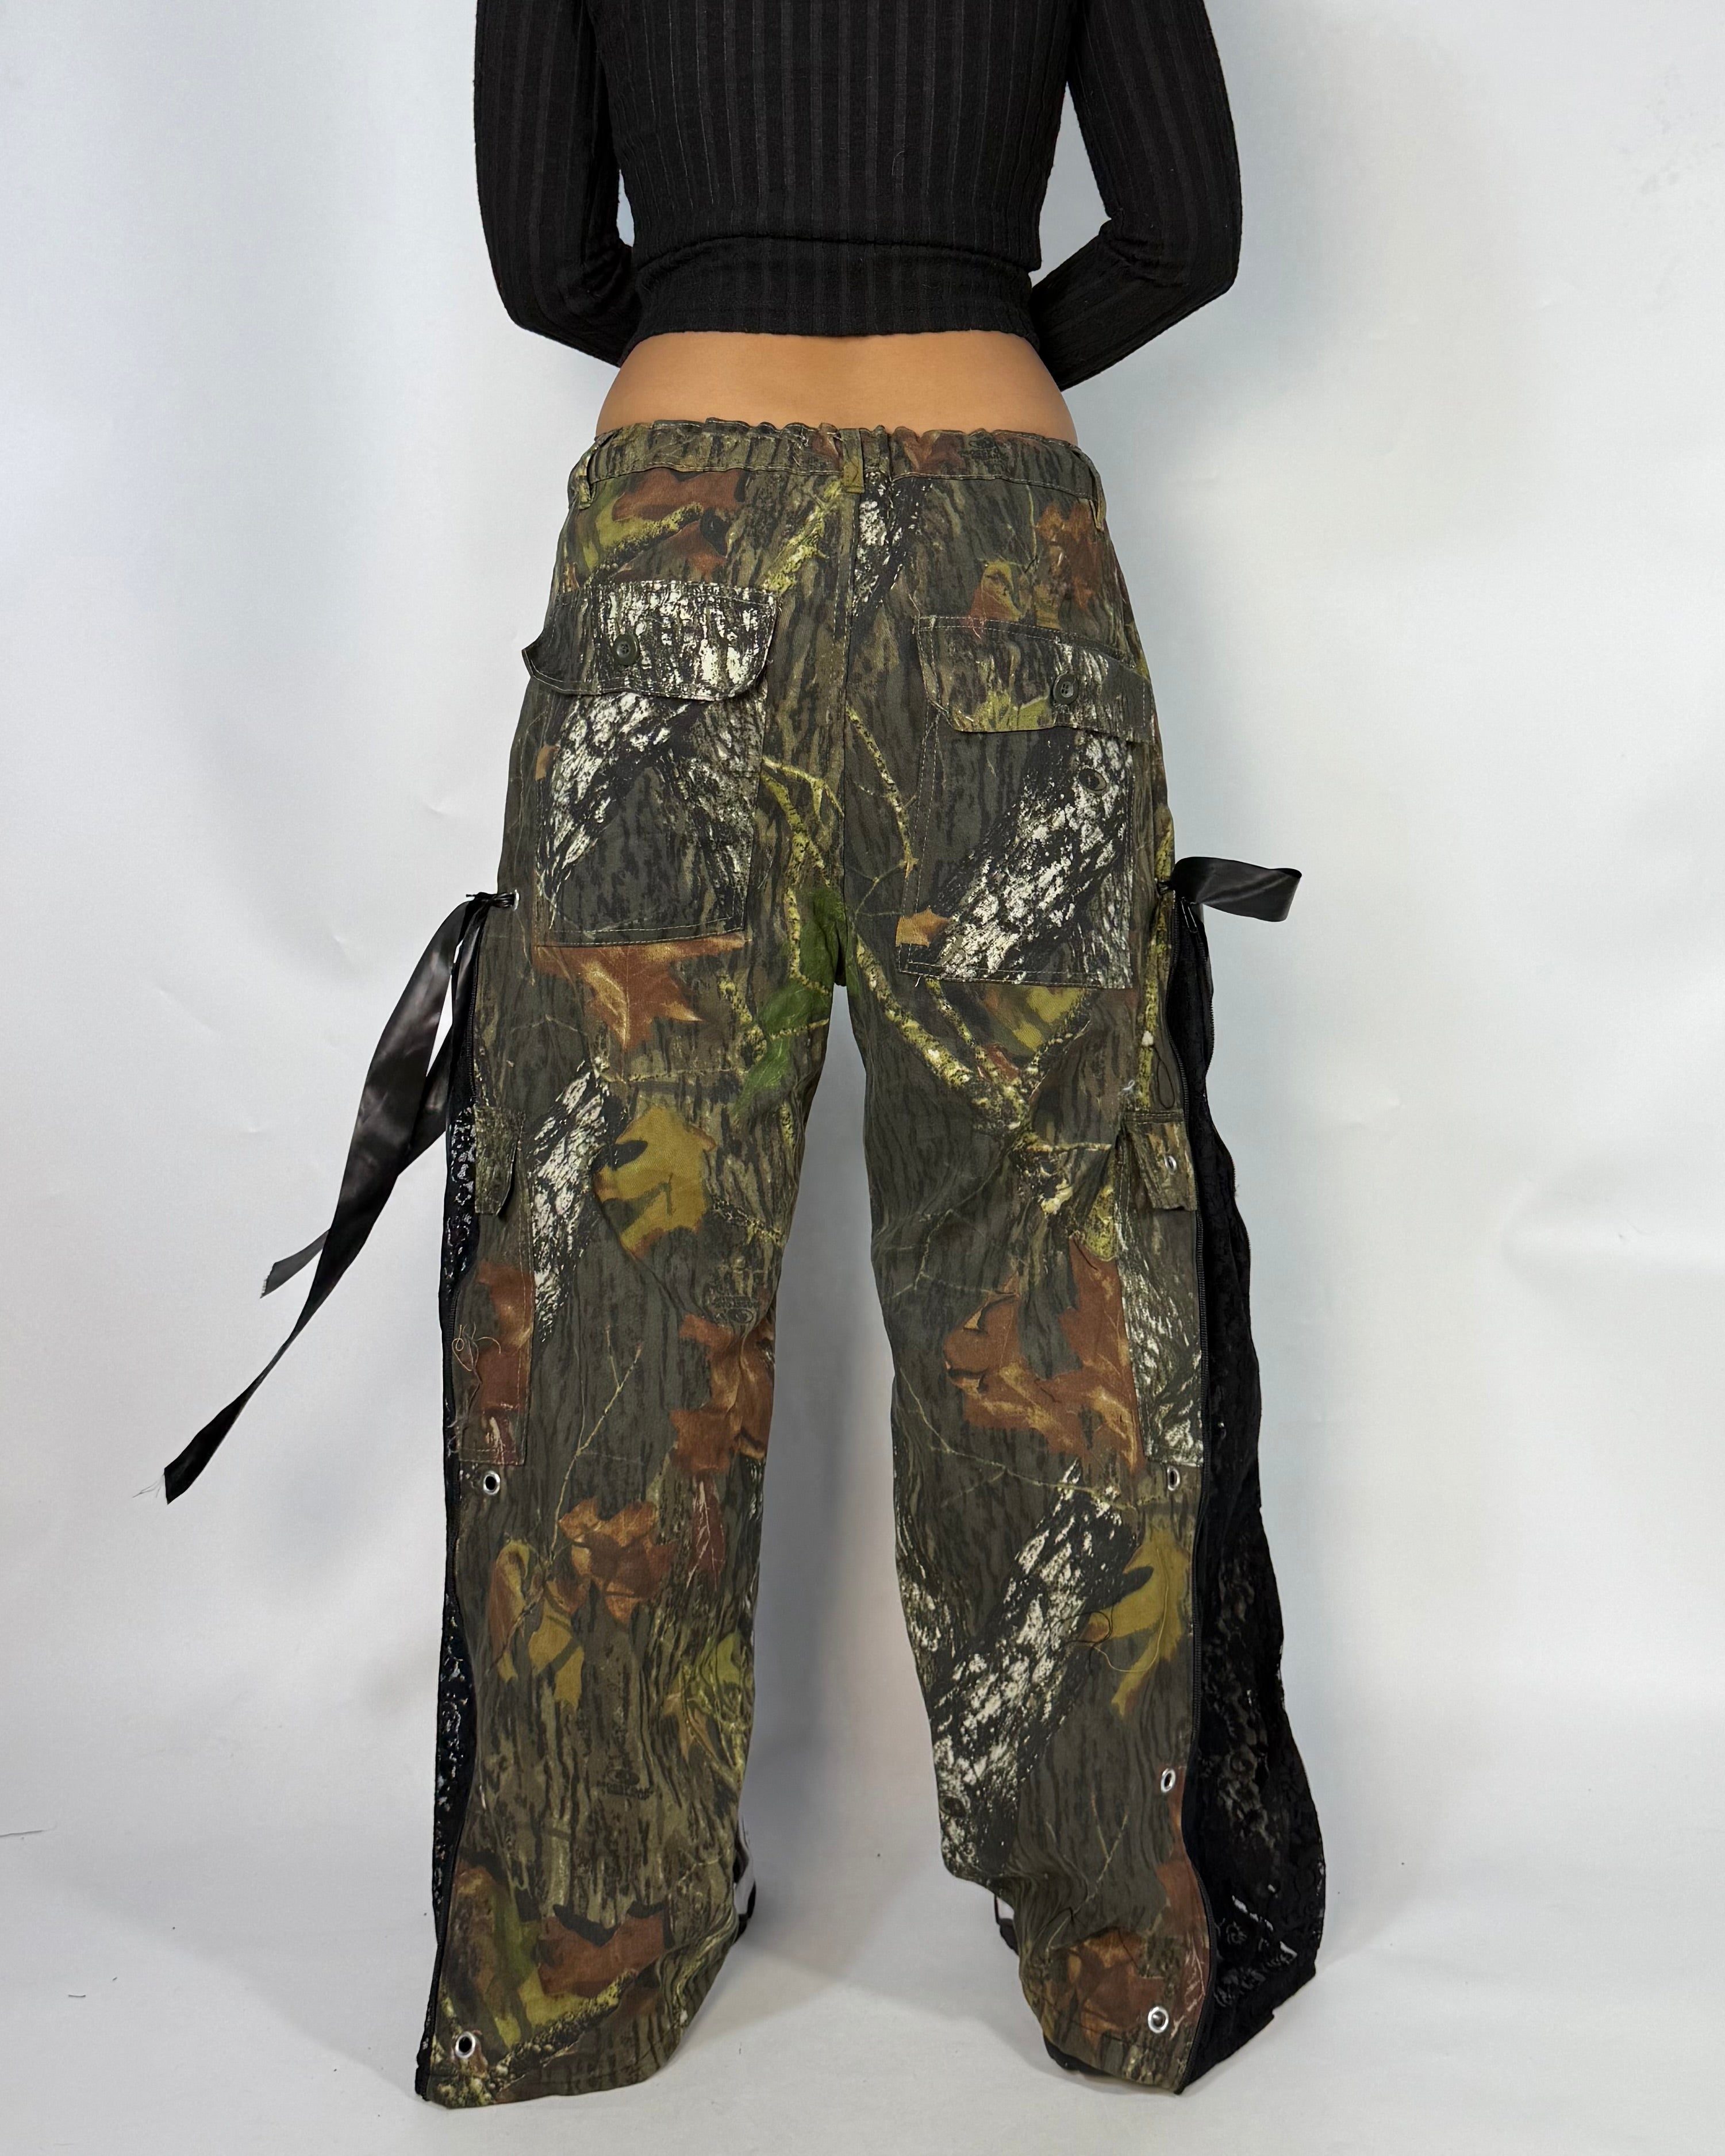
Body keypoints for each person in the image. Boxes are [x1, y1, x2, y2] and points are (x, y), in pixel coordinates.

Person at [170, 0, 1324, 2105]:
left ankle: (570, 1972)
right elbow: (1184, 234)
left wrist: (738, 348)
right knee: (1049, 1259)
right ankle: (1116, 1969)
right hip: (999, 546)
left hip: (672, 540)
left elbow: (548, 264)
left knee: (612, 1256)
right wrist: (958, 352)